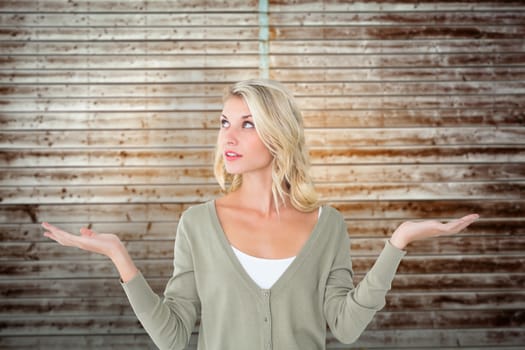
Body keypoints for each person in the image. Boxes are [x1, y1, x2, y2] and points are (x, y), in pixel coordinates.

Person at [42, 79, 479, 350]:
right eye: (223, 122)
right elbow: (174, 337)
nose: (228, 136)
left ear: (279, 136)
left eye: (247, 124)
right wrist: (122, 260)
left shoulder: (328, 226)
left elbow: (345, 326)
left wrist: (397, 243)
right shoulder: (196, 224)